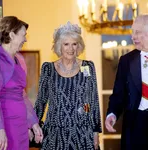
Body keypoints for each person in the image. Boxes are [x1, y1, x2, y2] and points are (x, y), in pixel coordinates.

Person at [34, 21, 102, 150]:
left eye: (74, 44)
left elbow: (93, 101)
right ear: (59, 46)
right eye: (66, 44)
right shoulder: (48, 68)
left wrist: (95, 131)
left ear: (79, 46)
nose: (71, 49)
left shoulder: (88, 66)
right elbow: (41, 100)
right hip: (55, 133)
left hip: (82, 132)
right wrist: (33, 125)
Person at [0, 16, 43, 150]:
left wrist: (33, 123)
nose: (25, 39)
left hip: (21, 125)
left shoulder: (20, 59)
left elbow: (22, 95)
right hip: (5, 125)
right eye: (23, 35)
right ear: (12, 35)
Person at [105, 14, 148, 150]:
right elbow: (119, 94)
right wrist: (112, 113)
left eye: (137, 32)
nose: (132, 36)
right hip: (135, 126)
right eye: (132, 32)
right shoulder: (126, 61)